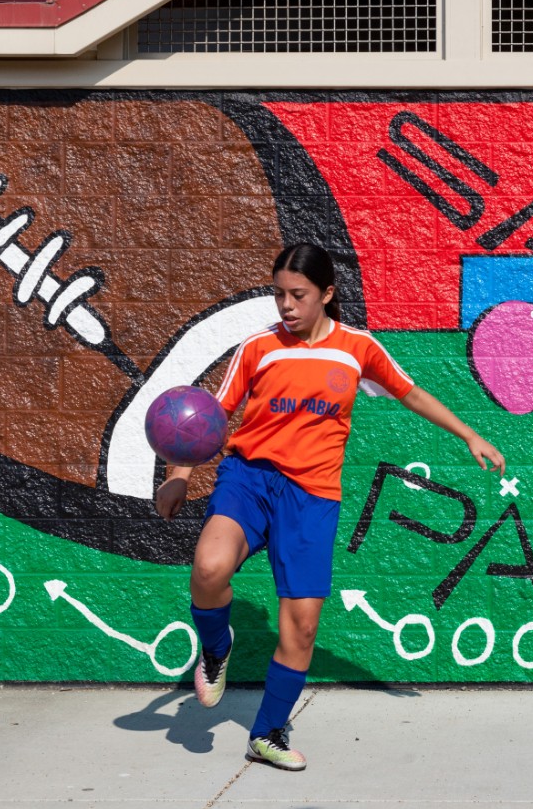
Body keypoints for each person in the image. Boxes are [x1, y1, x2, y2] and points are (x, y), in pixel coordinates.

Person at [155, 243, 505, 771]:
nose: (286, 306)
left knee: (302, 628)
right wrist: (178, 478)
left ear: (327, 294)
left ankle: (267, 732)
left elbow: (410, 393)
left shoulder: (356, 349)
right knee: (208, 567)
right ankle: (215, 646)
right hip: (248, 480)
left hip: (312, 496)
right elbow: (201, 420)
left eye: (298, 295)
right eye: (279, 294)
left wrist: (469, 436)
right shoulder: (257, 349)